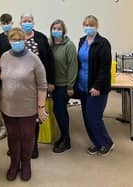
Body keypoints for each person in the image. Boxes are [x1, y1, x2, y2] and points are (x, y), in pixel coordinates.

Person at [0, 28, 48, 181]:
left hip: (28, 107)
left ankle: (26, 163)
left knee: (27, 137)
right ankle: (14, 164)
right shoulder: (5, 57)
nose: (17, 42)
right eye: (13, 39)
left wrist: (41, 107)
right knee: (12, 137)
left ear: (24, 40)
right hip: (8, 107)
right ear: (10, 41)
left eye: (19, 39)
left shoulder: (34, 59)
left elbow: (42, 85)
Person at [76, 15, 114, 155]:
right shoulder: (81, 41)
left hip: (97, 88)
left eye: (91, 25)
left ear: (97, 26)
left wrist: (97, 86)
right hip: (83, 86)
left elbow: (105, 68)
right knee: (87, 117)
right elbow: (79, 63)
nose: (88, 27)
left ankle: (107, 143)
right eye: (86, 24)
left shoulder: (103, 43)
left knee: (94, 117)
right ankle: (97, 143)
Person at [20, 13, 55, 159]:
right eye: (24, 21)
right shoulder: (16, 38)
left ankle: (33, 146)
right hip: (19, 86)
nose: (27, 23)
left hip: (37, 85)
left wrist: (51, 81)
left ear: (33, 22)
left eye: (29, 21)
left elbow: (50, 60)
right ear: (20, 22)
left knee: (35, 116)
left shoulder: (41, 38)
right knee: (20, 117)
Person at [49, 19, 78, 153]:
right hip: (53, 85)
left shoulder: (69, 46)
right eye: (54, 28)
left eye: (59, 28)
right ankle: (63, 136)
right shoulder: (50, 45)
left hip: (64, 85)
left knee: (60, 111)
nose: (56, 31)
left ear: (63, 31)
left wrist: (70, 86)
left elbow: (73, 66)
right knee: (57, 111)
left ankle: (66, 140)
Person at [0, 13, 13, 140]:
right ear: (0, 24)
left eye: (8, 23)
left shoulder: (17, 35)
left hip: (17, 75)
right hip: (2, 74)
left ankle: (13, 127)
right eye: (3, 23)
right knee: (1, 102)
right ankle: (5, 127)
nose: (6, 25)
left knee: (14, 101)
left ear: (12, 23)